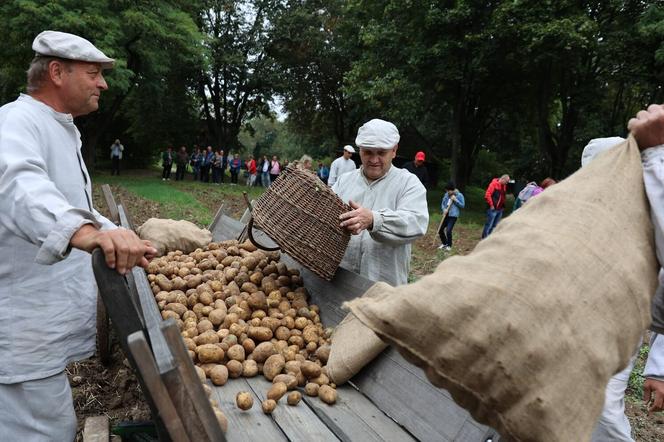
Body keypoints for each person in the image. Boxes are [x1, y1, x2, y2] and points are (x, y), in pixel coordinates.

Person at [0, 30, 156, 440]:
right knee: (40, 431)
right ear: (56, 72)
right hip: (20, 329)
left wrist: (116, 231)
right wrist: (85, 234)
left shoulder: (60, 127)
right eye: (93, 73)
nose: (102, 83)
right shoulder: (15, 123)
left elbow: (73, 204)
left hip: (37, 331)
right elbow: (19, 187)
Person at [332, 119, 429, 285]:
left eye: (381, 153)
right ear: (360, 150)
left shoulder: (408, 183)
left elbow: (416, 223)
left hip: (383, 285)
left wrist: (374, 220)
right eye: (368, 152)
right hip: (341, 279)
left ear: (394, 150)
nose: (374, 159)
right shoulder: (344, 181)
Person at [438, 182, 465, 251]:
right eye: (446, 191)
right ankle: (444, 243)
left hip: (453, 216)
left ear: (452, 190)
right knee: (440, 230)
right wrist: (444, 209)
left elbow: (462, 205)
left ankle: (449, 246)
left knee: (448, 230)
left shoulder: (459, 195)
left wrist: (455, 200)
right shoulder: (446, 195)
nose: (447, 192)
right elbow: (443, 204)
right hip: (446, 215)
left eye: (448, 190)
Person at [482, 174, 510, 238]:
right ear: (503, 179)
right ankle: (484, 239)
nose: (507, 183)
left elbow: (502, 197)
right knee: (489, 225)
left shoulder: (504, 186)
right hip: (493, 209)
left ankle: (490, 239)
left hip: (500, 209)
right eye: (506, 181)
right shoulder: (493, 184)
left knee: (495, 226)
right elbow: (487, 195)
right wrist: (491, 205)